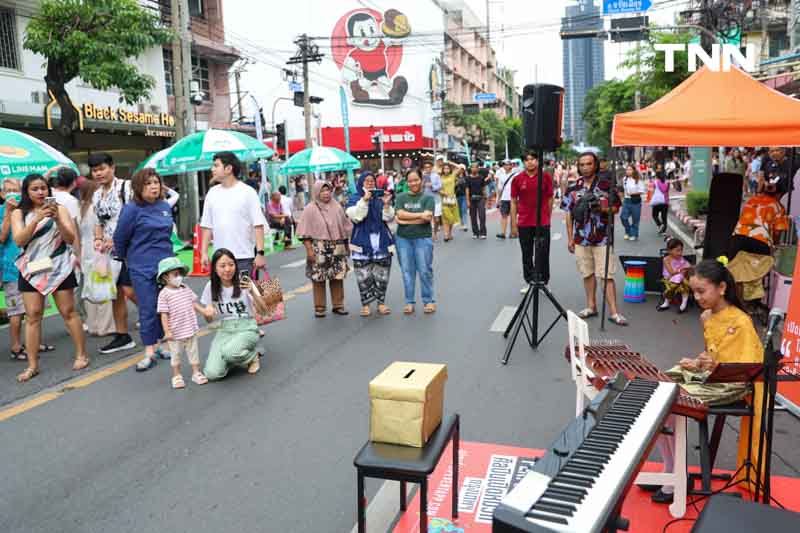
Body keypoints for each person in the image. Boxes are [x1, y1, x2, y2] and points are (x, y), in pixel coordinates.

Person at [651, 258, 764, 503]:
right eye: (694, 292)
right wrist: (699, 362)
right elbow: (714, 355)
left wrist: (711, 365)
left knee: (670, 397)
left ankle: (674, 473)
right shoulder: (706, 316)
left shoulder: (741, 321)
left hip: (733, 383)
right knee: (656, 385)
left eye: (702, 291)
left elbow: (746, 369)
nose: (697, 297)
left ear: (721, 288)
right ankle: (672, 469)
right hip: (714, 376)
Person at [11, 174, 89, 382]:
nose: (40, 192)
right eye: (35, 189)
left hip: (59, 266)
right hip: (31, 268)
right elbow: (19, 240)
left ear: (49, 190)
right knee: (33, 315)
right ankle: (32, 365)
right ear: (26, 192)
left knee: (68, 311)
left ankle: (82, 354)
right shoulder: (19, 213)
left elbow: (70, 238)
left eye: (43, 188)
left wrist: (55, 219)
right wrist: (37, 219)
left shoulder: (60, 209)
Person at [113, 169, 175, 371]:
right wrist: (127, 259)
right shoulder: (131, 209)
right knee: (148, 308)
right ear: (139, 187)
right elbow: (120, 238)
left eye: (156, 182)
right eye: (148, 183)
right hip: (141, 266)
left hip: (166, 264)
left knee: (166, 307)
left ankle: (163, 344)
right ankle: (149, 350)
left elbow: (167, 235)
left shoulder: (165, 206)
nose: (154, 186)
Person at [562, 152, 627, 326]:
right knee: (587, 273)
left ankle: (614, 311)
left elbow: (616, 208)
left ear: (595, 165)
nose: (585, 167)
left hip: (602, 238)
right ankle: (591, 306)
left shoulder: (607, 185)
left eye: (589, 164)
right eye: (582, 164)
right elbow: (568, 214)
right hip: (581, 238)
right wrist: (570, 238)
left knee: (606, 275)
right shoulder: (573, 188)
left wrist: (601, 208)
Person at [90, 152, 136, 354]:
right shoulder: (96, 194)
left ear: (112, 167)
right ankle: (122, 335)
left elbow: (135, 216)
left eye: (101, 168)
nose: (98, 173)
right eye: (94, 170)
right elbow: (98, 222)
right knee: (115, 293)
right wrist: (98, 239)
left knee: (130, 291)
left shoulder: (126, 187)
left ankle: (161, 319)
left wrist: (116, 239)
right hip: (109, 253)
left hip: (130, 248)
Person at [200, 249, 268, 380]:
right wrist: (207, 313)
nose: (227, 269)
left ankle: (253, 356)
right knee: (212, 374)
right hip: (225, 330)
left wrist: (252, 292)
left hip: (247, 327)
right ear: (214, 268)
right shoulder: (211, 286)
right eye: (222, 266)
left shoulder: (244, 281)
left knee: (230, 352)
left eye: (231, 264)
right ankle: (232, 357)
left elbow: (264, 311)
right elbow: (209, 320)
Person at [200, 151, 267, 276]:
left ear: (228, 168)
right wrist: (203, 252)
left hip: (244, 258)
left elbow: (258, 224)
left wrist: (260, 253)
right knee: (221, 295)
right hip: (219, 259)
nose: (212, 169)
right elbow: (207, 226)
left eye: (216, 165)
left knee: (246, 293)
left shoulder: (248, 192)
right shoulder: (212, 193)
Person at [297, 181, 352, 317]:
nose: (326, 193)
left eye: (328, 190)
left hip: (337, 245)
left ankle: (338, 305)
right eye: (322, 191)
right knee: (318, 279)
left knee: (337, 276)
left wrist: (346, 246)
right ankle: (320, 308)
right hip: (318, 247)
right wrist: (309, 250)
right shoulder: (310, 208)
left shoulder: (337, 206)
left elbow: (344, 228)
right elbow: (304, 233)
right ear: (316, 192)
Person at [345, 171, 395, 317]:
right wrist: (365, 200)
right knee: (363, 276)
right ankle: (365, 304)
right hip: (361, 242)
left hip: (381, 241)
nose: (370, 183)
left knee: (382, 275)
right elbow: (358, 217)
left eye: (372, 180)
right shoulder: (354, 199)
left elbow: (388, 217)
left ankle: (381, 303)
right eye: (366, 181)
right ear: (360, 183)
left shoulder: (380, 198)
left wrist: (386, 205)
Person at [156, 257, 209, 389]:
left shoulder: (185, 288)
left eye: (179, 274)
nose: (179, 277)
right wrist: (167, 331)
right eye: (175, 274)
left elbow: (193, 303)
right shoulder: (164, 294)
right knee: (176, 355)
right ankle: (176, 375)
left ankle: (196, 373)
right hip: (175, 332)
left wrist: (204, 311)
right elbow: (164, 314)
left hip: (190, 328)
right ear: (165, 277)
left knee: (193, 352)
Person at [394, 169, 436, 315]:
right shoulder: (400, 197)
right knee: (407, 271)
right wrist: (419, 216)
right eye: (410, 181)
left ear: (421, 180)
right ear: (407, 182)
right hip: (403, 239)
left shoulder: (428, 198)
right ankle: (409, 302)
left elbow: (428, 217)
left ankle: (428, 300)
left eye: (416, 180)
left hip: (423, 238)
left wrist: (405, 219)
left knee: (424, 270)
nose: (413, 183)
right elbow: (399, 215)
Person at [77, 178, 114, 337]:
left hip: (85, 252)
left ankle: (92, 324)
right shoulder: (96, 208)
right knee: (104, 287)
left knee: (89, 289)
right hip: (98, 251)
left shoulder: (81, 209)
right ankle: (105, 326)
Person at [511, 151, 553, 291]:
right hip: (524, 222)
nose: (530, 162)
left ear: (538, 161)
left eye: (533, 159)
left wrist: (548, 215)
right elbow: (513, 201)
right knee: (527, 253)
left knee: (543, 252)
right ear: (523, 162)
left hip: (542, 222)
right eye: (527, 159)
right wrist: (513, 225)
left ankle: (542, 281)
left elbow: (550, 198)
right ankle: (529, 281)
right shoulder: (517, 179)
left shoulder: (545, 177)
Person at [0, 178, 30, 360]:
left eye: (16, 190)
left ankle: (32, 343)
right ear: (2, 194)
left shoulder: (25, 212)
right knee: (16, 311)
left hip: (30, 266)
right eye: (8, 190)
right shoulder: (2, 211)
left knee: (34, 309)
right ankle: (16, 346)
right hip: (11, 269)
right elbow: (2, 238)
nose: (13, 194)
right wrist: (8, 213)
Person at [658, 238, 691, 313]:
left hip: (680, 279)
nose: (680, 253)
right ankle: (668, 302)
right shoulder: (666, 259)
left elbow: (688, 267)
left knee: (682, 280)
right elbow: (671, 272)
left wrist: (684, 270)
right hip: (669, 279)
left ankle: (682, 303)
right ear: (669, 251)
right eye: (677, 250)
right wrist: (681, 270)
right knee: (682, 281)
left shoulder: (681, 258)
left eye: (681, 250)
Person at [620, 164, 646, 242]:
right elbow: (623, 190)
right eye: (627, 169)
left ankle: (634, 234)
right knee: (623, 217)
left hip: (635, 201)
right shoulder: (624, 179)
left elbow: (642, 191)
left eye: (630, 169)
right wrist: (622, 198)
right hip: (626, 201)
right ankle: (629, 231)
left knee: (635, 220)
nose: (628, 171)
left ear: (634, 170)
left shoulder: (638, 179)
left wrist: (632, 194)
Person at [465, 161, 489, 239]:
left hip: (480, 198)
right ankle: (475, 233)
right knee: (473, 216)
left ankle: (483, 233)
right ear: (470, 168)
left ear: (478, 168)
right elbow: (467, 190)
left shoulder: (481, 177)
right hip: (472, 199)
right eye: (472, 167)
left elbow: (484, 188)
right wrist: (467, 201)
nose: (474, 168)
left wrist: (486, 199)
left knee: (482, 216)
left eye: (476, 167)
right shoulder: (468, 178)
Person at [421, 160, 442, 242]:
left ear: (432, 168)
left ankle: (435, 232)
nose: (427, 169)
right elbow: (419, 188)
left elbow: (440, 186)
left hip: (436, 199)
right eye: (426, 167)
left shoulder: (436, 176)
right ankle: (431, 233)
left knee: (436, 219)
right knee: (428, 218)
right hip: (426, 200)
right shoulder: (422, 176)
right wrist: (422, 184)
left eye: (429, 167)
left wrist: (432, 185)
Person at [438, 162, 460, 242]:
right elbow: (437, 188)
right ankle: (446, 235)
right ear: (442, 170)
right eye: (445, 168)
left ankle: (450, 233)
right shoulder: (439, 177)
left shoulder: (453, 176)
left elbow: (459, 167)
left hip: (452, 199)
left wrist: (450, 162)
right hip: (444, 199)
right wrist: (442, 193)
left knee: (451, 218)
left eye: (447, 168)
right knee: (445, 218)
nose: (446, 170)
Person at [495, 160, 516, 240]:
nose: (507, 166)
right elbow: (500, 189)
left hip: (513, 198)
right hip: (504, 198)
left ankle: (513, 232)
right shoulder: (501, 176)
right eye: (505, 165)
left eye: (508, 165)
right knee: (504, 215)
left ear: (511, 166)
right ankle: (503, 233)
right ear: (503, 166)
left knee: (513, 216)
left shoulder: (515, 175)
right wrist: (498, 199)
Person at [650, 168, 670, 234]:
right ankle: (663, 230)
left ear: (656, 176)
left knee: (654, 215)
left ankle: (660, 224)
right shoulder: (667, 182)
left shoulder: (655, 182)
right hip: (665, 201)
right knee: (664, 216)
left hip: (657, 201)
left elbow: (652, 191)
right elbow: (667, 191)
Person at [454, 164, 468, 231]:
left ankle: (465, 224)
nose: (460, 170)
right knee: (459, 210)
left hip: (464, 195)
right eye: (459, 169)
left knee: (464, 210)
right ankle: (462, 224)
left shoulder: (466, 177)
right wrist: (456, 183)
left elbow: (468, 186)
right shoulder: (454, 177)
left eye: (462, 169)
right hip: (457, 195)